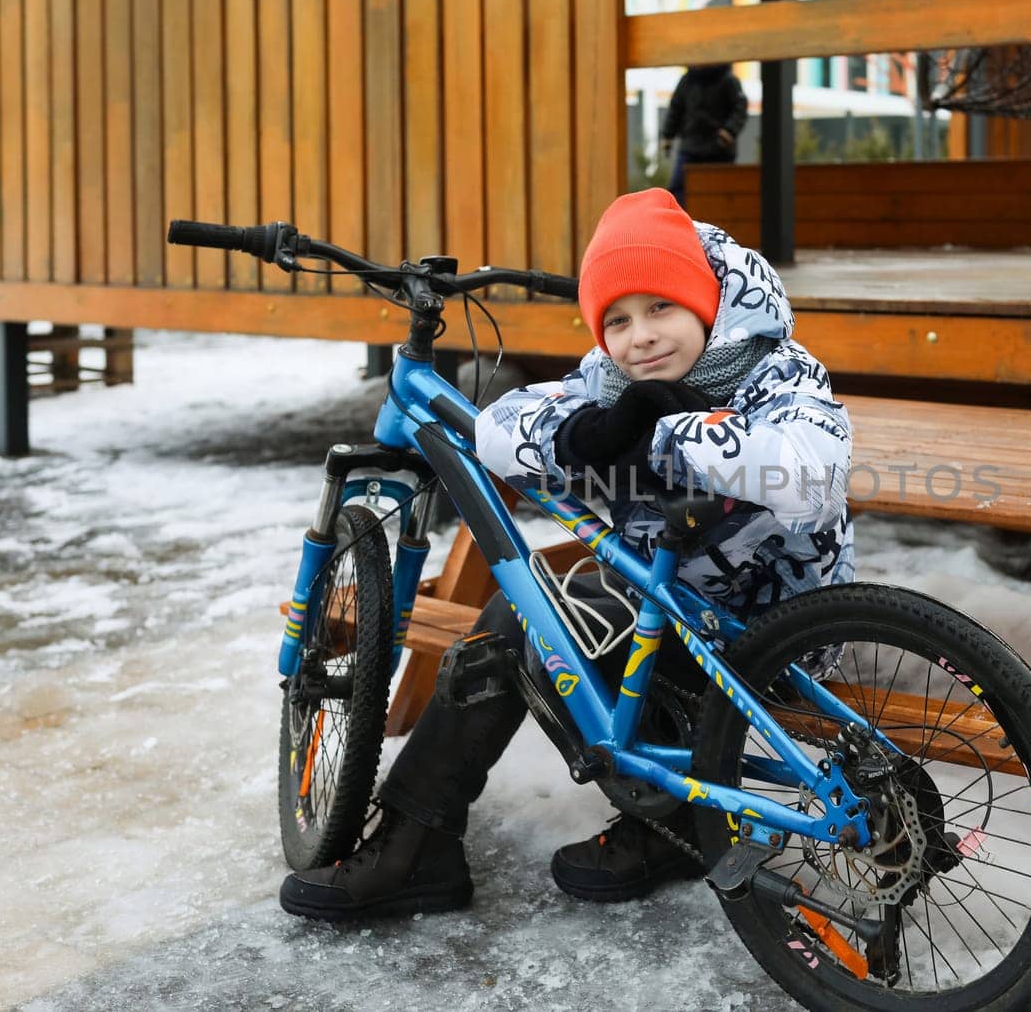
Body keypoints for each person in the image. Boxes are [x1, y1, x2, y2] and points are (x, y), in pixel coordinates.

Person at [279, 187, 854, 921]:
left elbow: (811, 473)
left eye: (661, 308)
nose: (639, 337)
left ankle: (443, 835)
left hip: (772, 643)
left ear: (708, 304)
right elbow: (503, 426)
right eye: (617, 319)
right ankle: (639, 820)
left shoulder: (776, 371)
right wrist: (583, 434)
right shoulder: (611, 381)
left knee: (540, 612)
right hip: (673, 617)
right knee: (531, 610)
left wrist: (668, 434)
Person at [661, 64, 748, 210]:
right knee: (678, 190)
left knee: (721, 193)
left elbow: (740, 109)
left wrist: (729, 132)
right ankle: (678, 223)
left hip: (719, 148)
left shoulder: (728, 80)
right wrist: (667, 136)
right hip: (691, 147)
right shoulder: (687, 81)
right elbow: (676, 109)